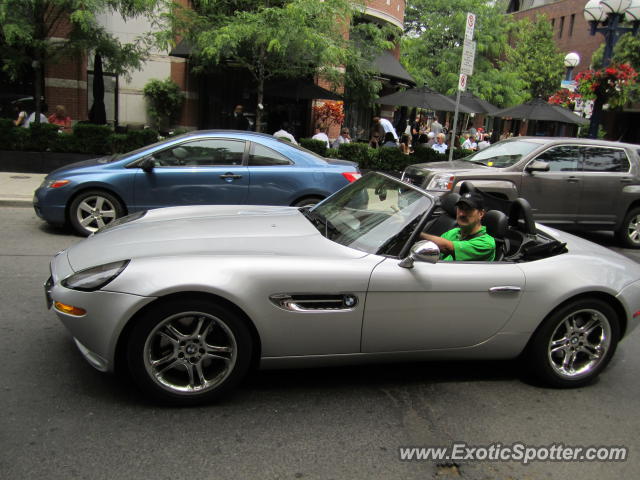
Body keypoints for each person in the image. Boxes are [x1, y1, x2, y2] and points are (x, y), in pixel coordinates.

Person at [420, 191, 495, 261]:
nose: (462, 214)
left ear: (481, 214)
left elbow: (447, 247)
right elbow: (432, 249)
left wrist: (418, 234)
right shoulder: (453, 232)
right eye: (460, 208)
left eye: (468, 209)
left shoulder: (486, 243)